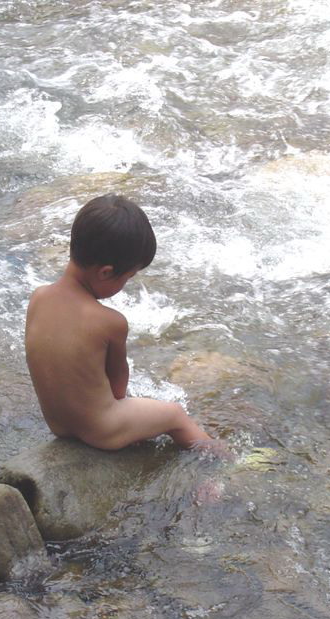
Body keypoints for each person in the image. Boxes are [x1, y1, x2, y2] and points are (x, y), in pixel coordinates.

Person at [25, 194, 228, 455]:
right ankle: (223, 459)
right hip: (101, 430)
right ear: (106, 272)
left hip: (59, 426)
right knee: (175, 414)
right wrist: (131, 423)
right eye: (128, 277)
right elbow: (118, 389)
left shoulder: (38, 297)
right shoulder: (110, 321)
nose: (126, 284)